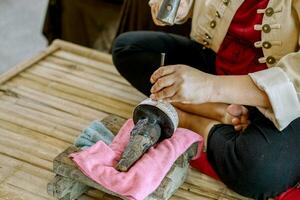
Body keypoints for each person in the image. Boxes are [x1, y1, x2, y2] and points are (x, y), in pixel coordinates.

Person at [111, 0, 300, 199]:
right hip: (218, 64)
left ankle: (189, 119)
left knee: (258, 169)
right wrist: (184, 8)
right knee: (129, 48)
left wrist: (209, 86)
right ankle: (217, 110)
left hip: (279, 93)